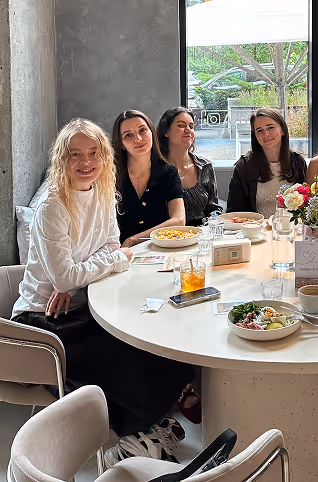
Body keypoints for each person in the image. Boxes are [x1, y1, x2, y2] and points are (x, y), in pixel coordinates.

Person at [12, 119, 192, 466]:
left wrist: (79, 278)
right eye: (76, 154)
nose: (86, 161)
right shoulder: (53, 206)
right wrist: (96, 269)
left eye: (94, 153)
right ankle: (131, 441)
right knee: (123, 354)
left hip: (78, 304)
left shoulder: (103, 191)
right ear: (62, 159)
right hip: (39, 319)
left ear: (105, 157)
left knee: (152, 337)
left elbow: (108, 245)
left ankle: (146, 428)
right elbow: (69, 276)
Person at [113, 109, 185, 246]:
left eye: (142, 131)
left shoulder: (169, 172)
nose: (138, 139)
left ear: (152, 132)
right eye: (128, 135)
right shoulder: (110, 176)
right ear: (121, 143)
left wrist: (133, 240)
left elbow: (179, 220)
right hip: (119, 254)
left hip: (160, 250)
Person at [227, 107, 307, 217]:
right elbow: (234, 211)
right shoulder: (244, 166)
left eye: (270, 128)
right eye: (259, 130)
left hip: (290, 230)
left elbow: (306, 205)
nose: (266, 134)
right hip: (256, 230)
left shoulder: (298, 162)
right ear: (255, 136)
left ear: (282, 130)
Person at [157, 107, 222, 226]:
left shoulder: (205, 166)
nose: (188, 130)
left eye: (191, 127)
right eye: (181, 126)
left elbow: (213, 208)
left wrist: (213, 222)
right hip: (167, 238)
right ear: (166, 132)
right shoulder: (155, 168)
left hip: (202, 236)